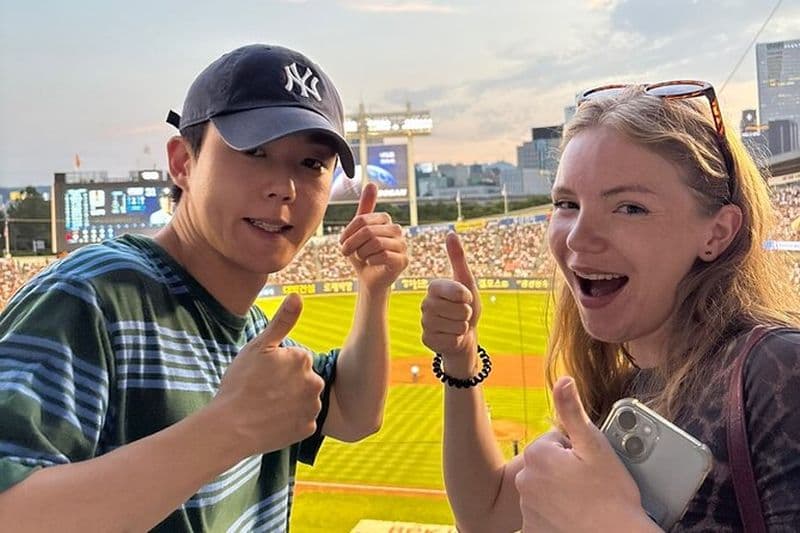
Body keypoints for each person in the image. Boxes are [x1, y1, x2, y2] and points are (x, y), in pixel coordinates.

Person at [0, 43, 408, 531]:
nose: (285, 187)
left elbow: (352, 411)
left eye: (311, 165)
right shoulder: (90, 296)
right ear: (183, 163)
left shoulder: (249, 331)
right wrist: (226, 430)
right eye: (254, 152)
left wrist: (375, 288)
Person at [420, 81, 800, 531]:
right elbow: (484, 513)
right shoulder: (630, 391)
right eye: (566, 204)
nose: (578, 236)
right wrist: (460, 358)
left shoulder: (777, 371)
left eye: (629, 207)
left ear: (716, 234)